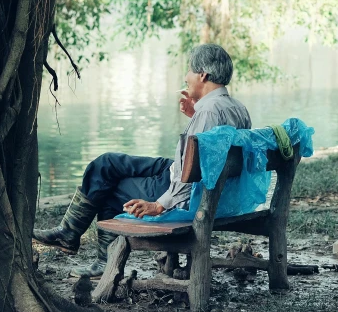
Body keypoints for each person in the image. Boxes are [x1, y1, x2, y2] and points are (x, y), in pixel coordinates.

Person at [33, 44, 251, 277]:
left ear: (203, 75)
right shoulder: (236, 107)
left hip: (185, 188)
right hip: (184, 173)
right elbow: (210, 156)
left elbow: (191, 177)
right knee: (106, 163)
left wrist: (160, 205)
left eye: (189, 71)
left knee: (108, 187)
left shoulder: (208, 112)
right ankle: (69, 232)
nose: (186, 77)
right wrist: (194, 116)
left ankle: (97, 259)